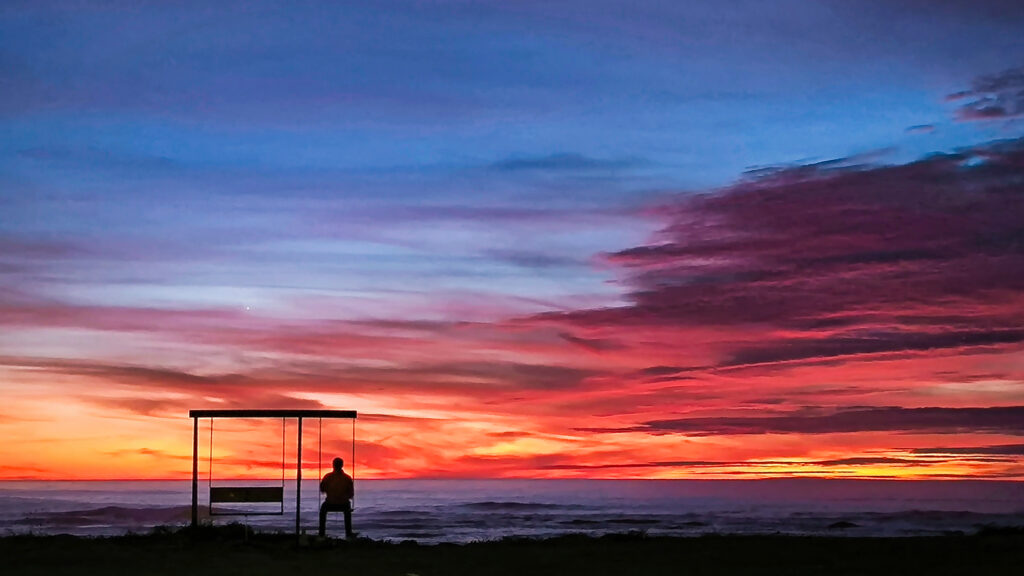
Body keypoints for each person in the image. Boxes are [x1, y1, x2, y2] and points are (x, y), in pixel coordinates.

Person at [319, 457, 354, 538]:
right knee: (347, 511)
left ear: (333, 465)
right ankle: (348, 534)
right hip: (343, 504)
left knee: (322, 510)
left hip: (330, 503)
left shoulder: (328, 477)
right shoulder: (347, 478)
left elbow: (322, 489)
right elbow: (351, 494)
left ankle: (321, 534)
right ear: (342, 465)